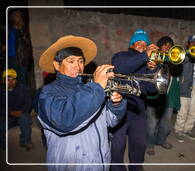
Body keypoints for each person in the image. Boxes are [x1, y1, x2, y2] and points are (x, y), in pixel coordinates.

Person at [37, 35, 127, 171]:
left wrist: (116, 105)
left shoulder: (90, 88)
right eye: (71, 61)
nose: (77, 67)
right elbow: (64, 121)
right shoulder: (48, 93)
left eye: (80, 61)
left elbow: (110, 121)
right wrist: (96, 87)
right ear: (57, 65)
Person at [110, 29, 158, 171]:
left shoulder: (148, 62)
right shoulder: (121, 56)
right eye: (139, 43)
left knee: (139, 145)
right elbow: (120, 67)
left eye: (145, 44)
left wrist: (151, 69)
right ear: (131, 45)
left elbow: (152, 89)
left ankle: (136, 168)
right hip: (119, 109)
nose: (142, 46)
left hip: (139, 110)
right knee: (117, 147)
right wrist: (145, 56)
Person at [146, 36, 179, 156]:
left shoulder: (174, 58)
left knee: (166, 122)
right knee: (151, 123)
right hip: (154, 96)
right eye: (165, 44)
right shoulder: (154, 56)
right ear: (160, 46)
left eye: (170, 45)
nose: (168, 47)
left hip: (168, 95)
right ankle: (149, 144)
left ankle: (161, 140)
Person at [0, 69, 33, 150]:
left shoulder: (22, 88)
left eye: (13, 79)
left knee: (26, 118)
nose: (11, 82)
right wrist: (10, 112)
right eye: (8, 80)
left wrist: (22, 111)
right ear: (3, 81)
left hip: (20, 115)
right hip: (7, 116)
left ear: (16, 80)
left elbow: (29, 103)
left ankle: (25, 141)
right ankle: (2, 144)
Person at [8, 10, 33, 85]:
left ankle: (22, 96)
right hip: (10, 58)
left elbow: (29, 44)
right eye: (16, 16)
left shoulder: (24, 30)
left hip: (22, 59)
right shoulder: (8, 30)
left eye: (19, 16)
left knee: (22, 81)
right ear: (11, 18)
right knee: (10, 81)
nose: (18, 17)